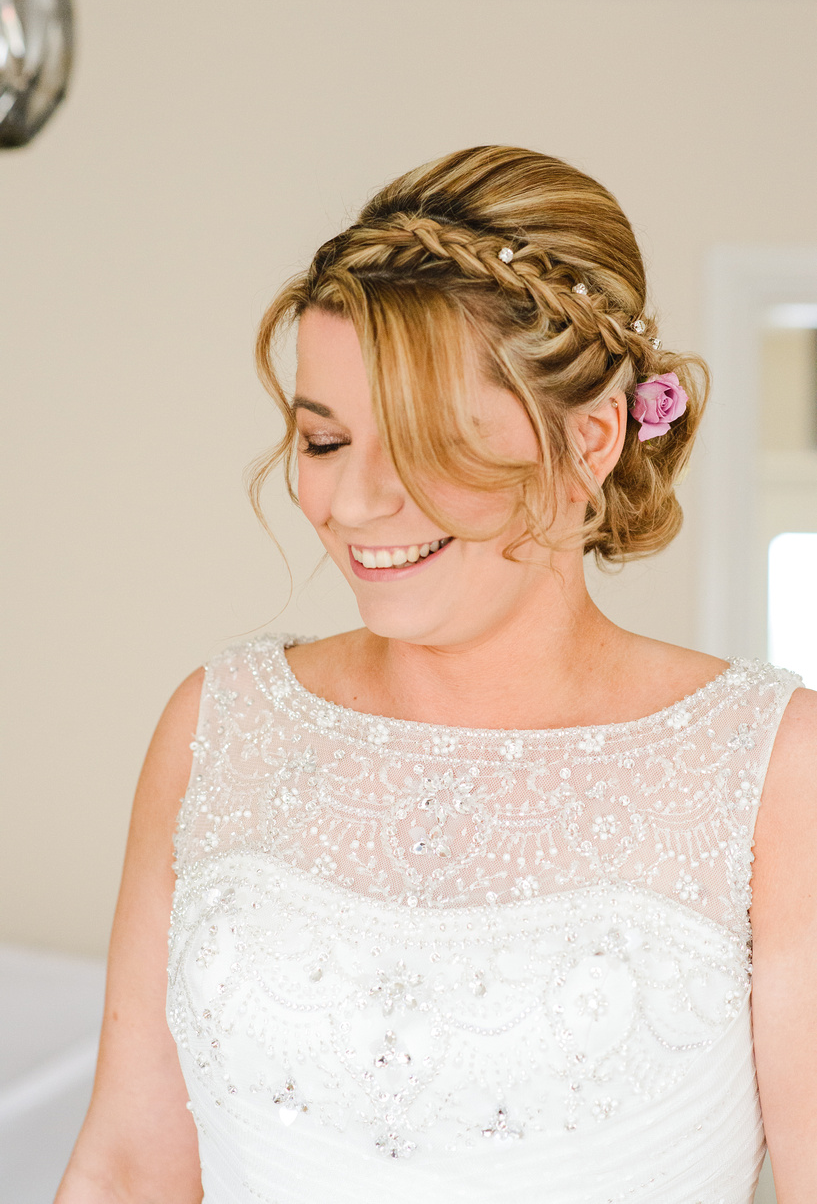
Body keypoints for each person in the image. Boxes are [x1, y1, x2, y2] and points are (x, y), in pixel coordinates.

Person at [55, 145, 817, 1204]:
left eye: (421, 442)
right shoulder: (215, 727)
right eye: (325, 441)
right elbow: (129, 1169)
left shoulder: (770, 768)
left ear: (592, 438)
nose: (354, 503)